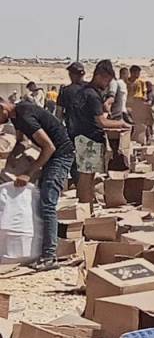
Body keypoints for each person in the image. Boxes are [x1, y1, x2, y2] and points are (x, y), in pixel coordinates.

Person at [0, 97, 76, 270]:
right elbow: (21, 142)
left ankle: (49, 256)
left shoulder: (25, 115)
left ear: (2, 107)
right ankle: (42, 248)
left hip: (60, 155)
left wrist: (28, 173)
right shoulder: (16, 117)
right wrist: (11, 162)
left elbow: (49, 147)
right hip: (51, 155)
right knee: (40, 199)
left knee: (48, 203)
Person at [70, 60, 131, 202]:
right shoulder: (92, 95)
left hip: (82, 136)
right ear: (99, 76)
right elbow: (101, 121)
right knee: (87, 176)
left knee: (87, 175)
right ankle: (84, 206)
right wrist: (121, 124)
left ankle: (85, 206)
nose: (107, 84)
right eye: (106, 80)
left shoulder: (84, 91)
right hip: (90, 139)